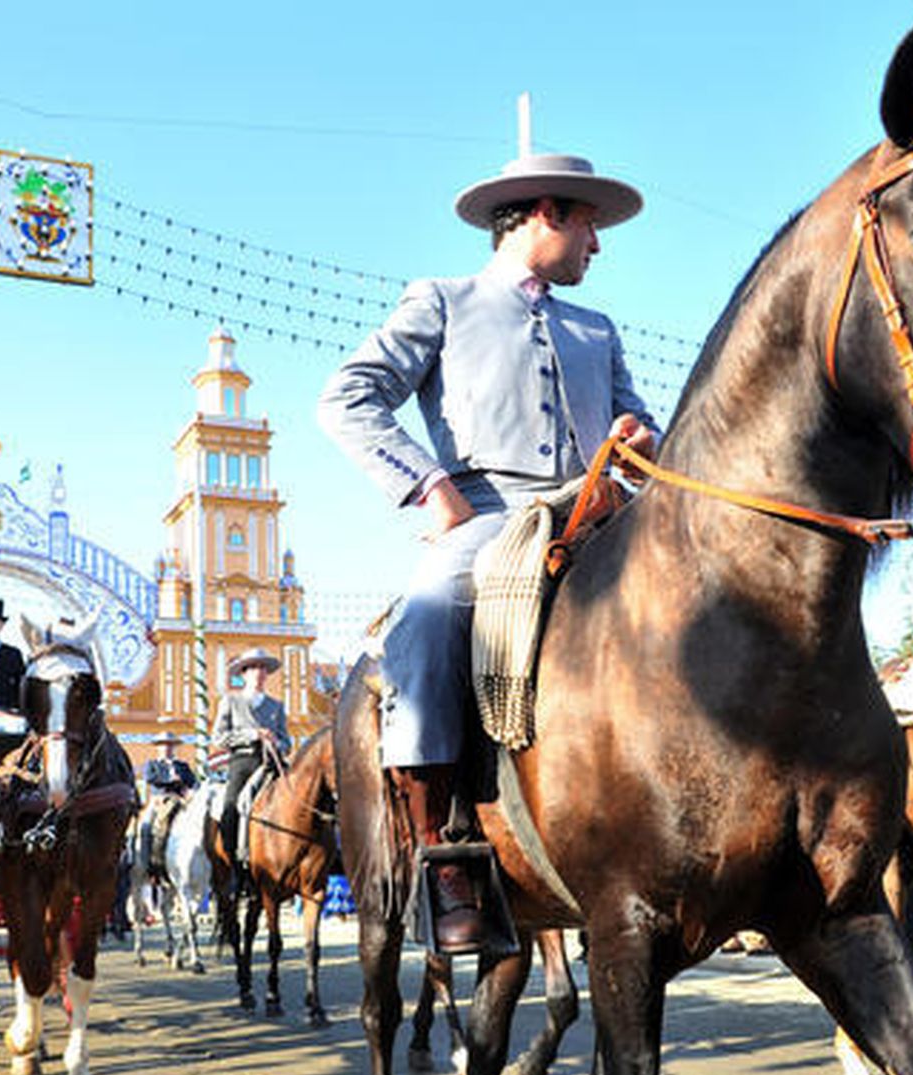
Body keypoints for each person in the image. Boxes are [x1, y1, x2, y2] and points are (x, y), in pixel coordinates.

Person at [316, 147, 660, 950]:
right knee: (428, 618)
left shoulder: (596, 327)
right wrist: (428, 485)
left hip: (597, 509)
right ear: (544, 213)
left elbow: (644, 428)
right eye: (587, 226)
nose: (596, 246)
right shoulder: (442, 300)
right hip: (488, 516)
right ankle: (446, 855)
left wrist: (637, 438)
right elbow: (346, 398)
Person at [210, 647, 290, 873]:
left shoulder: (276, 706)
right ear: (243, 674)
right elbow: (218, 737)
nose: (259, 672)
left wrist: (276, 742)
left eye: (263, 668)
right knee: (231, 806)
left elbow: (288, 742)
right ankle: (233, 861)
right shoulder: (230, 701)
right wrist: (252, 735)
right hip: (242, 762)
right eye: (254, 668)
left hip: (271, 764)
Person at [142, 731, 198, 876]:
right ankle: (149, 862)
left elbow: (193, 783)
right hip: (159, 800)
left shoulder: (182, 766)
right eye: (163, 745)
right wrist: (171, 780)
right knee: (146, 826)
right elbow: (150, 778)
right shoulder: (152, 764)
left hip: (180, 800)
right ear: (158, 747)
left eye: (169, 745)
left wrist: (191, 791)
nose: (166, 748)